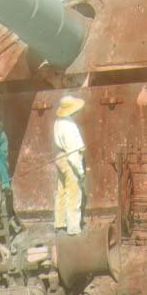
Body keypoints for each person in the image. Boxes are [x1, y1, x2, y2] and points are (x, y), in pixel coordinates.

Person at [53, 95, 86, 235]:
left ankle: (59, 223)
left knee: (61, 191)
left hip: (59, 157)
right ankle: (73, 228)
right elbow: (73, 153)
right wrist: (80, 171)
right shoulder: (70, 126)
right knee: (74, 193)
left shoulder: (58, 122)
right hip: (69, 158)